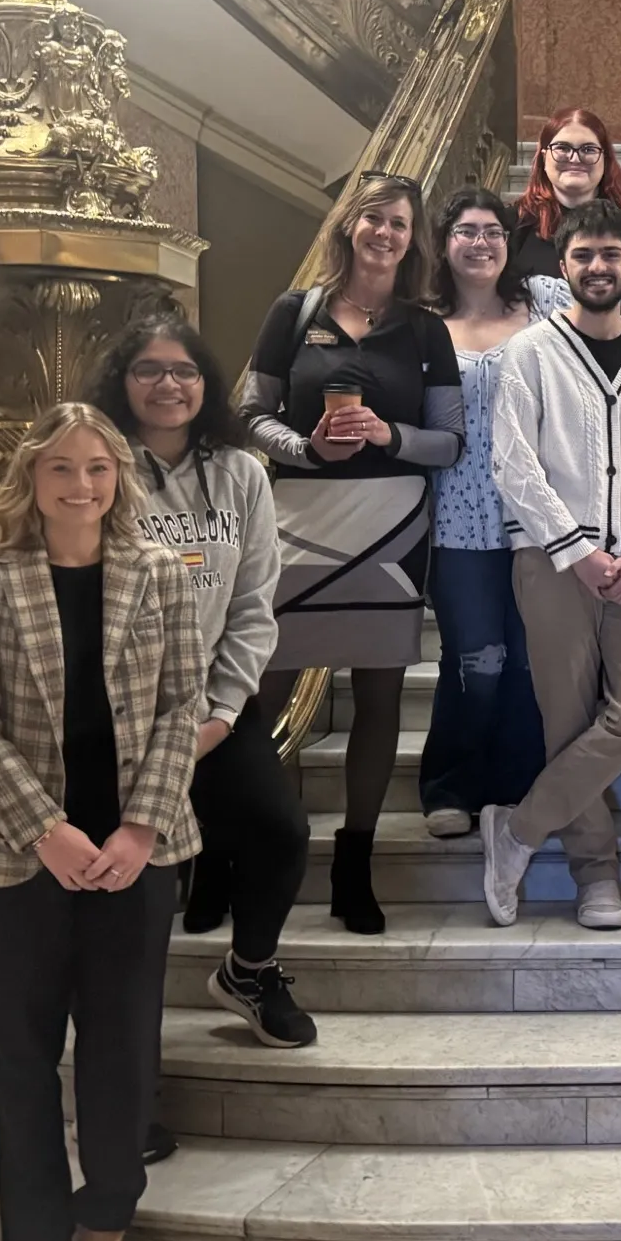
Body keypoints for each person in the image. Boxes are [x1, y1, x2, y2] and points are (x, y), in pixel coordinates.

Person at [0, 403, 205, 1241]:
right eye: (61, 469)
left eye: (97, 468)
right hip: (17, 859)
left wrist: (141, 826)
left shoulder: (160, 576)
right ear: (32, 480)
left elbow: (186, 705)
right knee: (18, 1058)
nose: (80, 485)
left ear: (119, 478)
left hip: (135, 855)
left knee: (122, 1054)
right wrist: (42, 829)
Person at [239, 171, 464, 936]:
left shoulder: (426, 329)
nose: (386, 234)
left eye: (400, 224)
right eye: (374, 220)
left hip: (391, 524)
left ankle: (353, 864)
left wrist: (387, 437)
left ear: (414, 239)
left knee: (377, 699)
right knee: (260, 695)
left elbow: (450, 439)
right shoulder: (293, 312)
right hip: (300, 514)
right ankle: (243, 850)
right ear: (349, 227)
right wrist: (304, 448)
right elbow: (249, 413)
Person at [88, 317, 315, 1051]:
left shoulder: (243, 473)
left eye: (183, 371)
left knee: (280, 831)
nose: (168, 385)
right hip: (117, 711)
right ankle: (117, 1041)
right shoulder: (95, 468)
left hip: (214, 705)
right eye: (148, 370)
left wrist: (217, 718)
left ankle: (251, 970)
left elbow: (253, 605)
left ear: (206, 385)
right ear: (122, 384)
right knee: (138, 874)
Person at [480, 201, 621, 930]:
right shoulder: (530, 353)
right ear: (562, 266)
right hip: (551, 564)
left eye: (611, 255)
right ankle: (594, 875)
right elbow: (513, 463)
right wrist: (575, 551)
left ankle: (517, 829)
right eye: (583, 256)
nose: (597, 267)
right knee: (566, 722)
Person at [418, 187, 554, 839]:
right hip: (456, 519)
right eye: (466, 231)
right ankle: (451, 784)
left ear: (510, 241)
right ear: (445, 244)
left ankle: (518, 786)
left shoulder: (547, 305)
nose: (480, 242)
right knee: (477, 661)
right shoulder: (419, 323)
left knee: (531, 660)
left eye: (493, 231)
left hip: (539, 517)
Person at [513, 107, 621, 327]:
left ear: (605, 159)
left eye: (588, 149)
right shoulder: (516, 224)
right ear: (543, 157)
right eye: (562, 148)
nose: (574, 158)